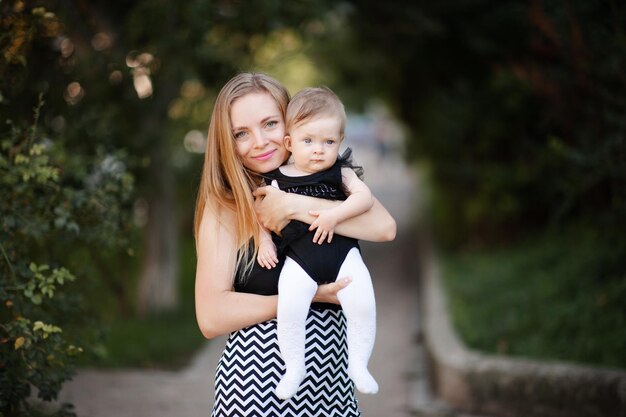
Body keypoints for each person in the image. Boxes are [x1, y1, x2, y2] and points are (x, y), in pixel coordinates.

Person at [194, 72, 396, 416]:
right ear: (228, 142)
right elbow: (211, 316)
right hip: (256, 390)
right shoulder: (226, 204)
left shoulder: (328, 175)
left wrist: (293, 206)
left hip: (332, 387)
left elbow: (383, 227)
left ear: (291, 123)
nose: (259, 141)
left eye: (270, 123)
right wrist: (307, 296)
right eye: (241, 133)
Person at [257, 87, 378, 399]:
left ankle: (359, 364)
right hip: (301, 259)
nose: (318, 150)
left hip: (343, 257)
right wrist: (263, 241)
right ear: (289, 142)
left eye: (328, 142)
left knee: (363, 303)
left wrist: (335, 216)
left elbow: (364, 198)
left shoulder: (341, 172)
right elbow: (260, 213)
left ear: (339, 142)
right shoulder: (276, 177)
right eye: (308, 141)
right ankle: (294, 367)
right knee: (290, 306)